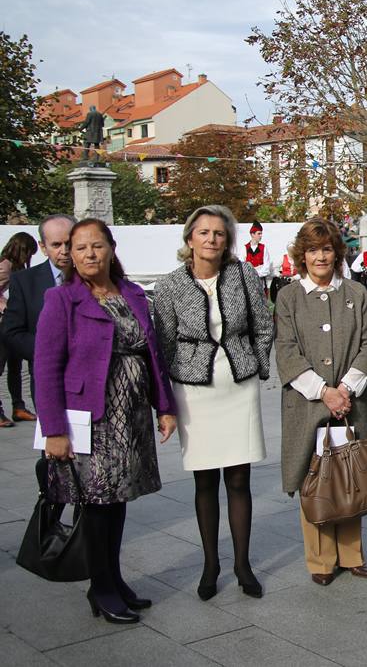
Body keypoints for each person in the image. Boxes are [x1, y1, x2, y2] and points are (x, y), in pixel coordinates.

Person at [36, 219, 177, 623]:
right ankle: (100, 588)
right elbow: (46, 369)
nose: (88, 255)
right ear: (69, 256)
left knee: (118, 502)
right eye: (79, 249)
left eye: (96, 246)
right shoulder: (61, 300)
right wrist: (54, 431)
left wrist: (163, 406)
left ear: (112, 248)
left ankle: (114, 577)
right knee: (97, 505)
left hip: (130, 417)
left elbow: (153, 356)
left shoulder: (131, 293)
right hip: (90, 420)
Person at [153, 205, 273, 601]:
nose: (211, 240)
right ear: (190, 239)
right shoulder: (170, 285)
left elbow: (263, 324)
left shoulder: (245, 275)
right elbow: (164, 341)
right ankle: (210, 564)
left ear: (228, 241)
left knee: (239, 479)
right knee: (204, 480)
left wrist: (257, 364)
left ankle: (242, 564)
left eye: (219, 234)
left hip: (238, 383)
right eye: (203, 232)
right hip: (194, 389)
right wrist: (168, 396)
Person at [275, 218, 367, 585]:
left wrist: (346, 389)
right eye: (313, 250)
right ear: (302, 256)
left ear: (337, 253)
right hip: (308, 404)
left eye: (326, 249)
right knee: (315, 479)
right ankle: (320, 560)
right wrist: (324, 392)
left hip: (351, 404)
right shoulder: (288, 297)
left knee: (350, 475)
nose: (320, 256)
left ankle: (352, 554)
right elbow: (286, 351)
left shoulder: (356, 293)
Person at [2, 214, 75, 402]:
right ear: (43, 247)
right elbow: (12, 331)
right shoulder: (25, 281)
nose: (64, 251)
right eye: (56, 245)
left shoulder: (95, 278)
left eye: (69, 243)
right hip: (47, 380)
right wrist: (46, 351)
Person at [0, 232, 39, 426]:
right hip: (3, 324)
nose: (29, 257)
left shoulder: (17, 267)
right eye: (29, 252)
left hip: (14, 324)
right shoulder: (5, 266)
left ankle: (18, 407)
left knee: (15, 367)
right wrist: (7, 306)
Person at [243, 220, 272, 296]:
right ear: (252, 234)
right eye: (259, 234)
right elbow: (242, 266)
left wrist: (256, 273)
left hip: (260, 281)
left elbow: (267, 267)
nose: (260, 236)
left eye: (261, 233)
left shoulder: (263, 248)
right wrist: (252, 273)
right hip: (248, 282)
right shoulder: (244, 248)